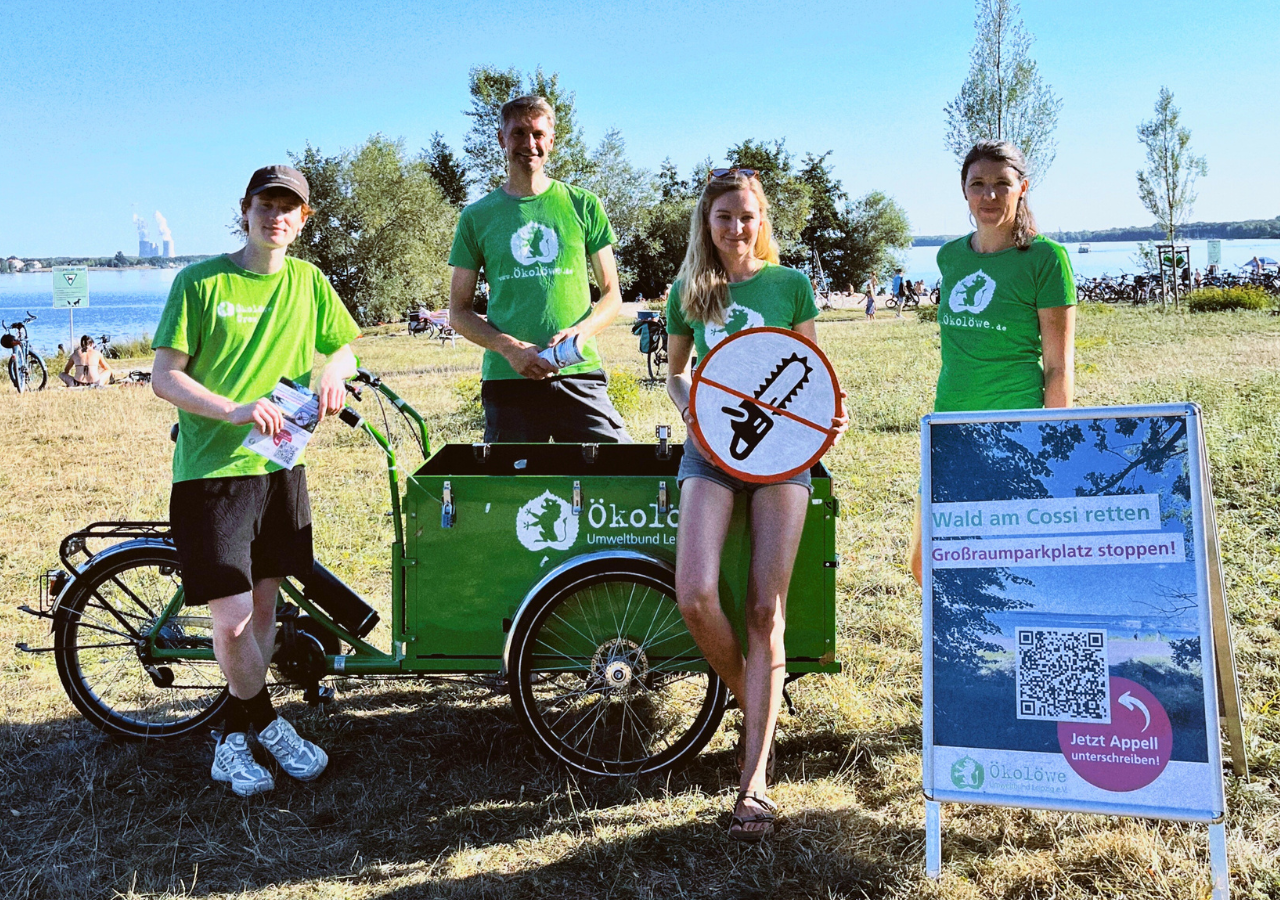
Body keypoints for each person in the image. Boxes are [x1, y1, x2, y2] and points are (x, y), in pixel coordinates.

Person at [151, 165, 360, 797]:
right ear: (244, 210)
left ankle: (233, 738)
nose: (276, 215)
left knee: (265, 609)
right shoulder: (200, 281)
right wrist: (232, 408)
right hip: (215, 473)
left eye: (289, 208)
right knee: (235, 620)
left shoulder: (309, 282)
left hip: (281, 469)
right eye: (265, 204)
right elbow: (165, 377)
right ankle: (265, 723)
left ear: (303, 220)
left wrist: (334, 370)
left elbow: (346, 347)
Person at [664, 169, 848, 841]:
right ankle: (757, 703)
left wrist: (832, 413)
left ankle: (754, 781)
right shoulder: (689, 290)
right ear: (705, 226)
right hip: (710, 454)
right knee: (695, 594)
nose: (736, 229)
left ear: (761, 218)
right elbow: (678, 371)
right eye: (723, 219)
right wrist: (693, 415)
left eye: (746, 216)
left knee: (765, 609)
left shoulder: (790, 285)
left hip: (782, 458)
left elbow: (810, 369)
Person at [910, 140, 1075, 583]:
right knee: (927, 564)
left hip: (1014, 429)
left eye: (1001, 185)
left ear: (1022, 188)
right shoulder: (950, 256)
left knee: (1005, 563)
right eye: (977, 184)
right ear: (963, 190)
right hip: (948, 424)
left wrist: (1054, 444)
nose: (989, 196)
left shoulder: (1046, 259)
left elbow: (1059, 366)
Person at [447, 95, 629, 443]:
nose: (528, 144)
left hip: (578, 372)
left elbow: (611, 295)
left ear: (551, 140)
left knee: (616, 474)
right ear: (502, 139)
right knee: (510, 494)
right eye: (518, 133)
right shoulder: (476, 217)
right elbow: (459, 312)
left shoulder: (583, 205)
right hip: (508, 380)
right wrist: (509, 348)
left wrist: (582, 332)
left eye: (537, 134)